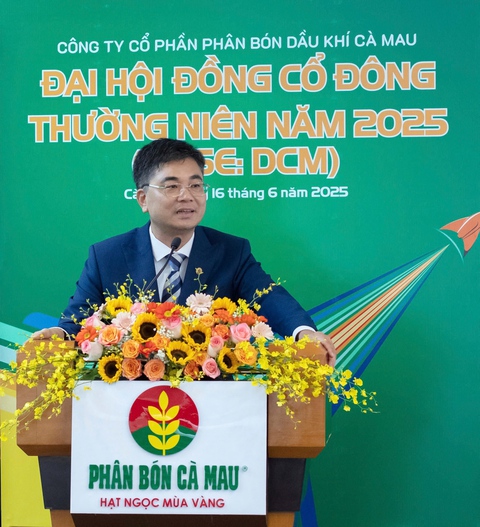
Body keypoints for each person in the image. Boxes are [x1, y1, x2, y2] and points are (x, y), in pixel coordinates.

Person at [33, 138, 336, 365]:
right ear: (142, 199)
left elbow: (268, 296)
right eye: (171, 186)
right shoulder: (107, 256)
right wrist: (59, 335)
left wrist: (303, 332)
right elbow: (77, 319)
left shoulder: (231, 252)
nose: (187, 196)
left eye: (196, 185)